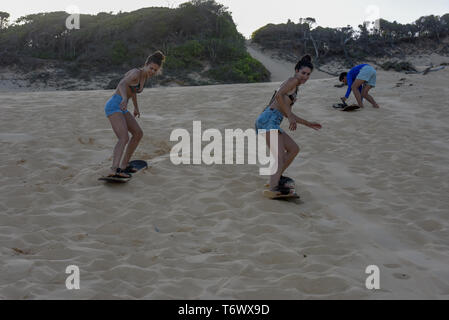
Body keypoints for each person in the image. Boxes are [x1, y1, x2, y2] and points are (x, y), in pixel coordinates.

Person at [255, 55, 322, 196]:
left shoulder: (295, 87)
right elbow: (279, 95)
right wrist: (290, 116)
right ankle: (273, 189)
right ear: (296, 70)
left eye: (308, 75)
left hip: (272, 119)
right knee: (278, 156)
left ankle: (275, 179)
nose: (305, 77)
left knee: (293, 149)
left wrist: (308, 123)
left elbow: (287, 112)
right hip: (269, 119)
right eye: (303, 73)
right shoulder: (293, 80)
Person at [104, 51, 165, 179]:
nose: (152, 71)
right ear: (146, 64)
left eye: (155, 70)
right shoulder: (136, 73)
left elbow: (134, 91)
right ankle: (114, 169)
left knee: (138, 133)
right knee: (124, 137)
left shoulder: (144, 76)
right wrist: (125, 99)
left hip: (122, 106)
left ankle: (124, 165)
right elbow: (122, 84)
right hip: (114, 104)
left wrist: (136, 108)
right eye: (151, 68)